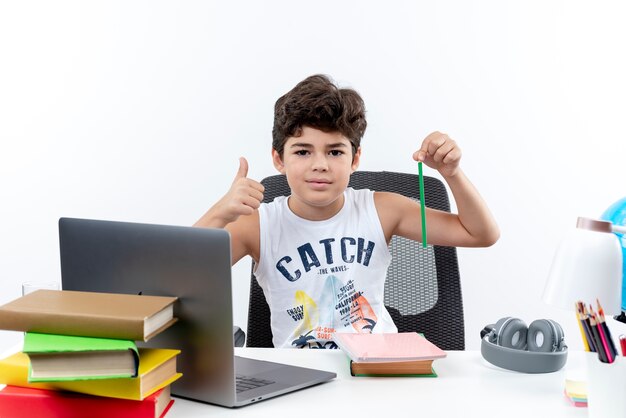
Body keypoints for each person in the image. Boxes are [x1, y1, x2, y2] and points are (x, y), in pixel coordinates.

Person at [195, 74, 499, 348]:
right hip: (302, 374)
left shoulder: (381, 209)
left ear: (355, 159)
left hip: (378, 366)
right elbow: (172, 282)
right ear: (278, 159)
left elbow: (481, 234)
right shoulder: (258, 223)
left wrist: (452, 173)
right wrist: (220, 213)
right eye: (302, 151)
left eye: (335, 151)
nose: (320, 164)